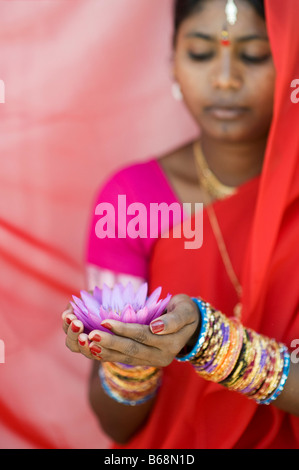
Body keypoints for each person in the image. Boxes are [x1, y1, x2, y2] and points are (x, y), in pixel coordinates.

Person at [62, 0, 299, 449]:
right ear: (172, 63)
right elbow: (116, 424)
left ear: (290, 60)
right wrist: (130, 356)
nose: (225, 78)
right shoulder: (132, 199)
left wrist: (206, 340)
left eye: (252, 55)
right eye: (200, 53)